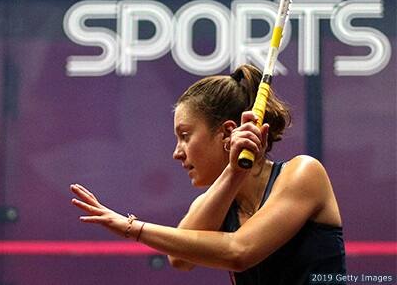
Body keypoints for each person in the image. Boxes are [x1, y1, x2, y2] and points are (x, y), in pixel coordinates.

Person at [70, 64, 346, 284]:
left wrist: (131, 227)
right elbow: (180, 259)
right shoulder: (213, 204)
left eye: (185, 136)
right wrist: (234, 172)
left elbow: (239, 252)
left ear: (227, 132)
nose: (177, 153)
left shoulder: (303, 173)